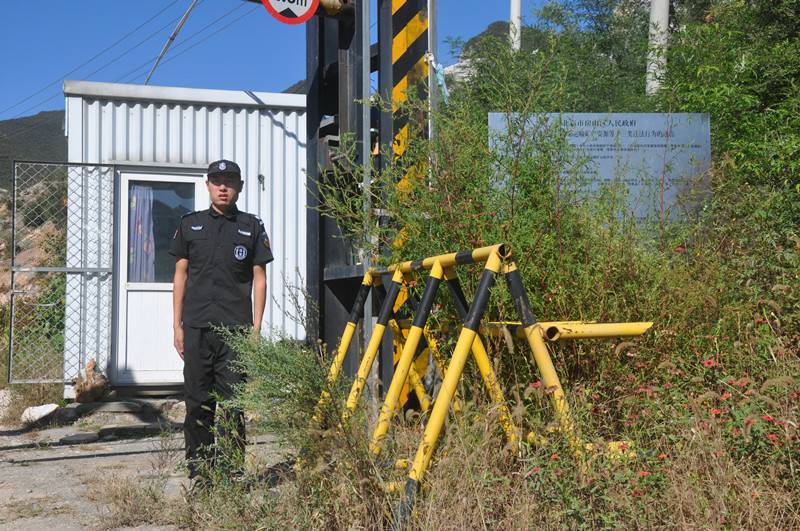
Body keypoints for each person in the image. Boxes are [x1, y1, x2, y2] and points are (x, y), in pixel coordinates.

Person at [169, 159, 273, 480]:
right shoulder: (190, 225)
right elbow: (180, 275)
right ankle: (201, 472)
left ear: (240, 187)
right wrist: (177, 326)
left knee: (232, 403)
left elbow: (259, 279)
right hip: (197, 328)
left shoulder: (251, 227)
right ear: (208, 186)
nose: (223, 187)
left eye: (229, 181)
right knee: (198, 403)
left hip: (235, 331)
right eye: (217, 181)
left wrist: (256, 330)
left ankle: (229, 472)